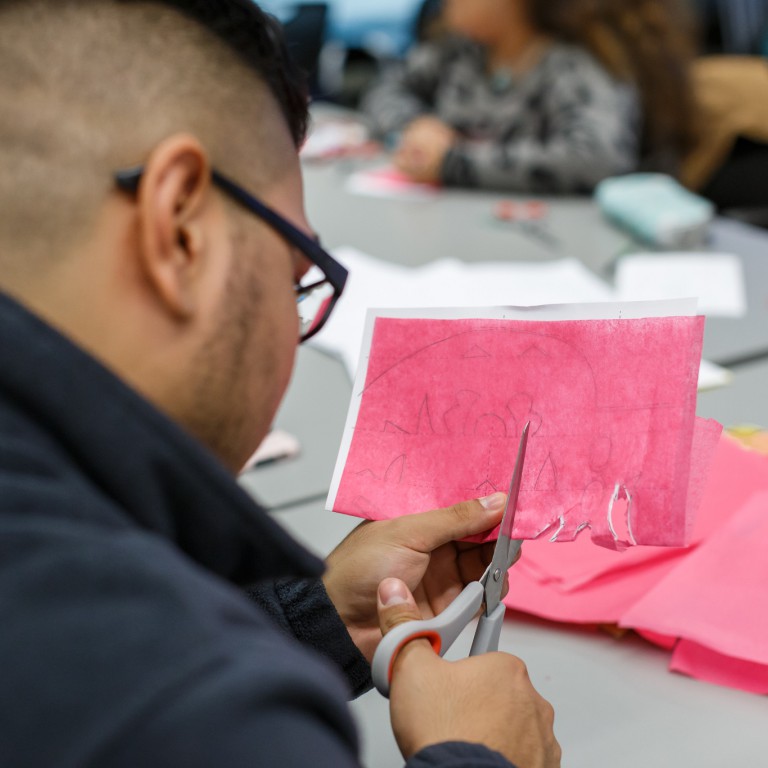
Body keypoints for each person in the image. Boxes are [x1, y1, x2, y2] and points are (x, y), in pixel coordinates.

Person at [0, 2, 560, 767]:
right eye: (299, 280)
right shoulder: (197, 707)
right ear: (180, 230)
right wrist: (484, 757)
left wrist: (314, 619)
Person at [361, 0, 696, 193]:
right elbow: (384, 90)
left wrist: (452, 164)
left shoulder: (571, 64)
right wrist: (418, 125)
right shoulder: (459, 51)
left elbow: (597, 159)